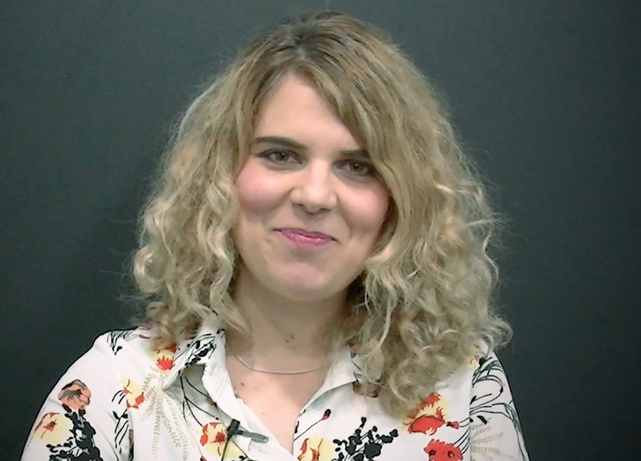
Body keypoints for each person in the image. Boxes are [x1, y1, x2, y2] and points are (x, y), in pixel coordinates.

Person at [21, 11, 529, 461]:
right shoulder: (113, 391)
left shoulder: (462, 385)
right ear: (220, 176)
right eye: (280, 155)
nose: (315, 196)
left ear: (400, 200)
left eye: (357, 166)